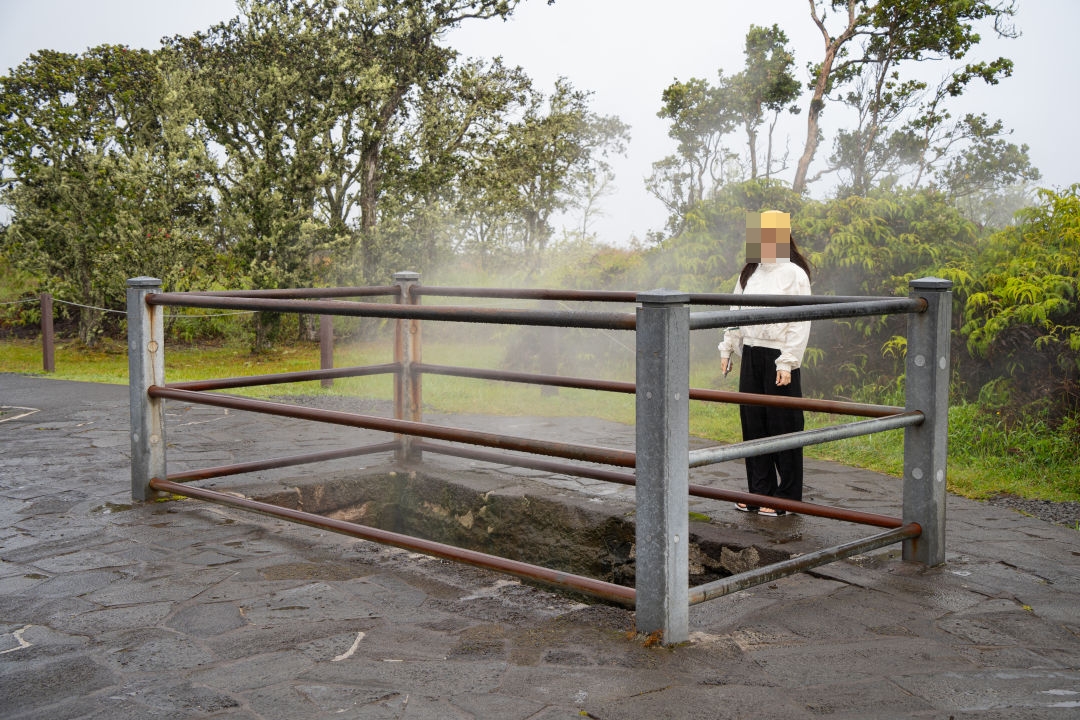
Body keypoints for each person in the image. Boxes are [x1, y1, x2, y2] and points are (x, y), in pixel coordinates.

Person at [718, 210, 812, 517]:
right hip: (752, 353)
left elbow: (800, 322)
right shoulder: (749, 274)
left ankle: (787, 497)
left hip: (778, 356)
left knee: (783, 425)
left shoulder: (795, 274)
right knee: (754, 423)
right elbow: (734, 311)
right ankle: (759, 492)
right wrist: (728, 348)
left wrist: (787, 362)